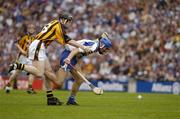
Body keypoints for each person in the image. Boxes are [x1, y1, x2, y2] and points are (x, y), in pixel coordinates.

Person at [8, 13, 91, 105]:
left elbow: (55, 38)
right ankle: (17, 65)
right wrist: (83, 47)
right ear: (62, 20)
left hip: (40, 46)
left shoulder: (55, 23)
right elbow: (68, 40)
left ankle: (50, 98)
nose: (69, 24)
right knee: (39, 73)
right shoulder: (58, 26)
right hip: (38, 46)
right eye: (68, 21)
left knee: (48, 72)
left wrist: (65, 44)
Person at [57, 32, 112, 105]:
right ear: (102, 45)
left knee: (79, 80)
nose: (105, 51)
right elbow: (75, 50)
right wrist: (68, 59)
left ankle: (71, 100)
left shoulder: (96, 44)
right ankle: (46, 75)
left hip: (73, 57)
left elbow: (98, 39)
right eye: (106, 48)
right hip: (68, 55)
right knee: (59, 83)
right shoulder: (93, 47)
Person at [6, 24, 36, 94]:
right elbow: (16, 43)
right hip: (22, 57)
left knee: (33, 71)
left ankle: (30, 87)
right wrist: (21, 51)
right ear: (28, 29)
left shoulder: (34, 38)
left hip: (30, 58)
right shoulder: (24, 37)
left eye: (33, 28)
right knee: (17, 72)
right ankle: (8, 84)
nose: (31, 30)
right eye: (30, 28)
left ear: (34, 30)